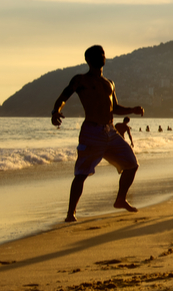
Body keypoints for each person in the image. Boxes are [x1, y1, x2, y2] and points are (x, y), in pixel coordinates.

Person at [51, 45, 143, 222]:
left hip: (110, 131)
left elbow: (115, 108)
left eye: (103, 54)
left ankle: (120, 199)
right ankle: (71, 214)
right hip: (92, 131)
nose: (101, 56)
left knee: (132, 164)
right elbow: (64, 96)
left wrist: (133, 109)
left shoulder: (109, 83)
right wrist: (56, 111)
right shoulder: (80, 80)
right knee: (81, 174)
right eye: (97, 55)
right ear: (88, 60)